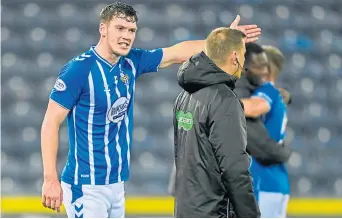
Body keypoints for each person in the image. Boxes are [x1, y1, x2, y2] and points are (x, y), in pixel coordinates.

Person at [40, 2, 262, 218]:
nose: (126, 35)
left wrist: (223, 42)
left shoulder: (131, 61)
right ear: (103, 29)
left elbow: (176, 53)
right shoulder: (79, 69)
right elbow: (51, 122)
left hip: (116, 183)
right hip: (86, 185)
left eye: (131, 30)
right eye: (119, 28)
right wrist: (50, 178)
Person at [173, 28, 260, 218]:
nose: (244, 63)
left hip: (185, 211)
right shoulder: (224, 100)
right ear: (235, 56)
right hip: (213, 212)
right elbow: (234, 169)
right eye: (244, 55)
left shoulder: (183, 96)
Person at [240, 45, 290, 218]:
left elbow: (254, 107)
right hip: (274, 180)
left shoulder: (266, 91)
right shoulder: (277, 94)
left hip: (263, 180)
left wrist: (216, 102)